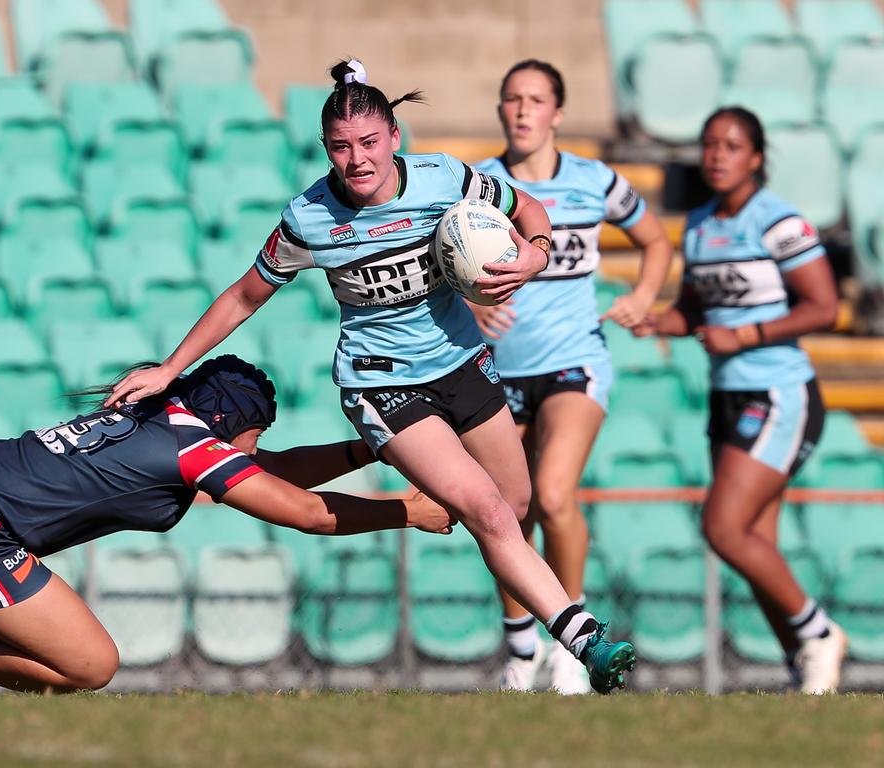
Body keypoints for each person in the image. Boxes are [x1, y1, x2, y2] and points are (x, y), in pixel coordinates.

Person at [105, 58, 636, 693]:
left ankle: (519, 641)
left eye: (368, 142)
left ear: (394, 138)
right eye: (339, 147)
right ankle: (582, 643)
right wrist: (171, 367)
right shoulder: (309, 218)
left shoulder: (445, 178)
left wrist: (532, 255)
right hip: (382, 383)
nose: (356, 160)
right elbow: (245, 296)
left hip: (464, 364)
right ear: (325, 149)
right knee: (490, 510)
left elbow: (530, 210)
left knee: (514, 504)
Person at [0, 355, 457, 695]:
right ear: (232, 423)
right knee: (90, 665)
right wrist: (407, 512)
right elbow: (303, 513)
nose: (257, 452)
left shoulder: (163, 414)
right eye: (257, 435)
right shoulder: (192, 449)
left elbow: (268, 473)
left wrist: (368, 451)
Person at [471, 60, 673, 694]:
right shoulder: (476, 186)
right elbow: (438, 269)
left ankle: (574, 644)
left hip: (575, 362)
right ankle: (520, 651)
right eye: (512, 99)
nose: (523, 110)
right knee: (507, 512)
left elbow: (657, 242)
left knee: (554, 494)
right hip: (496, 373)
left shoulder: (595, 181)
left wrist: (644, 295)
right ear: (500, 109)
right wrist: (472, 303)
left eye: (536, 100)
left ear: (558, 113)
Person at [633, 107, 847, 694]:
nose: (718, 155)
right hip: (727, 396)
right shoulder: (700, 224)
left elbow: (825, 307)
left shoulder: (779, 222)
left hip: (778, 392)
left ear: (756, 157)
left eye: (732, 146)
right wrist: (657, 322)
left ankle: (819, 634)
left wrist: (747, 335)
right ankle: (799, 668)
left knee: (724, 528)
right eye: (709, 145)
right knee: (757, 544)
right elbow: (698, 312)